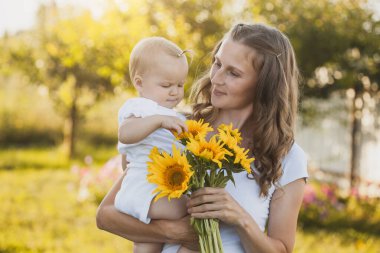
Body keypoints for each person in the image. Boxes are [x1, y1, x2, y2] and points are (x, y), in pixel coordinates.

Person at [97, 23, 308, 253]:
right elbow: (106, 215)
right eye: (217, 63)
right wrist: (175, 232)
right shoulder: (180, 128)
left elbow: (282, 249)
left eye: (233, 73)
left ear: (264, 85)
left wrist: (239, 218)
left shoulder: (286, 156)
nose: (216, 78)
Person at [114, 36, 195, 253]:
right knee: (190, 209)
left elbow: (127, 155)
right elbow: (125, 134)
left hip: (152, 189)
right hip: (146, 189)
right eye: (166, 85)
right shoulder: (141, 108)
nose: (175, 92)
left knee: (146, 243)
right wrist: (158, 121)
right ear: (139, 83)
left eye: (180, 85)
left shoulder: (171, 114)